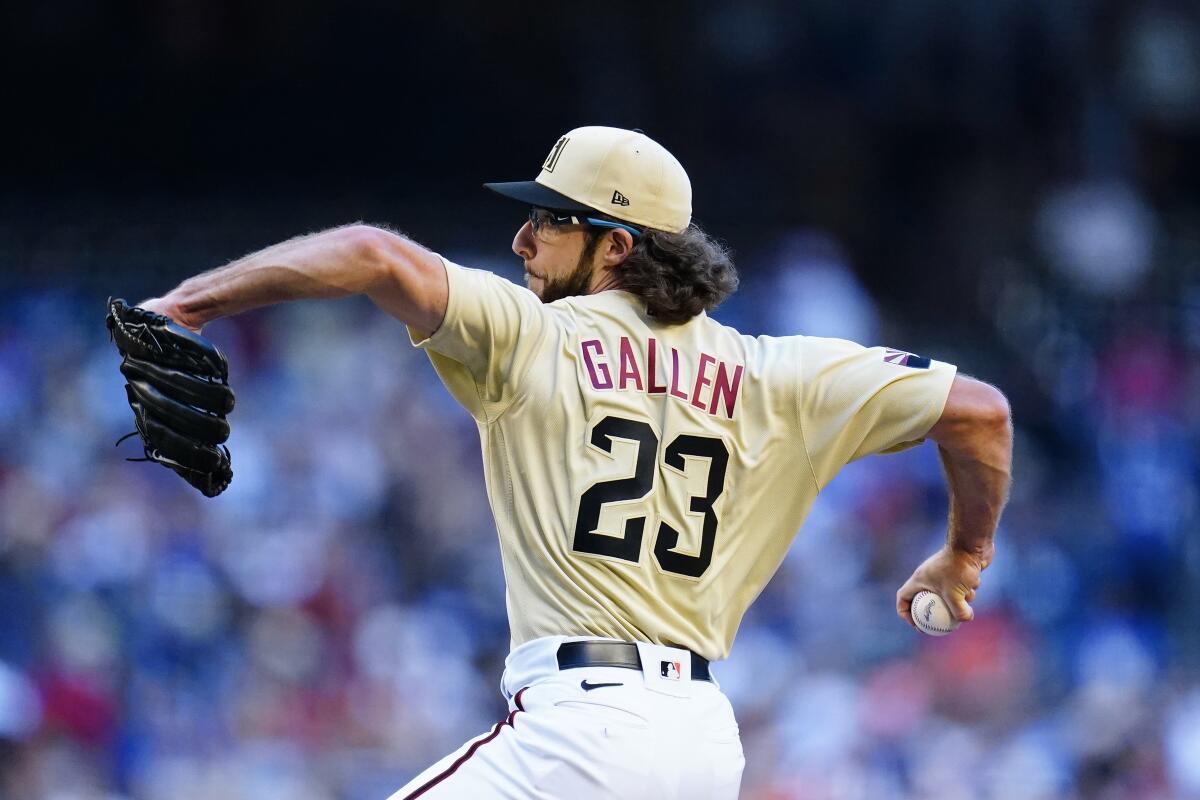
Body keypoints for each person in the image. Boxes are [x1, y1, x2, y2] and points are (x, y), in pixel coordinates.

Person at [139, 126, 1012, 799]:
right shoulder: (778, 372)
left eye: (551, 220)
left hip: (580, 727)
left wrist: (188, 305)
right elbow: (981, 412)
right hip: (704, 747)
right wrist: (965, 555)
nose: (523, 239)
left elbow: (374, 253)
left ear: (617, 247)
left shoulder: (534, 336)